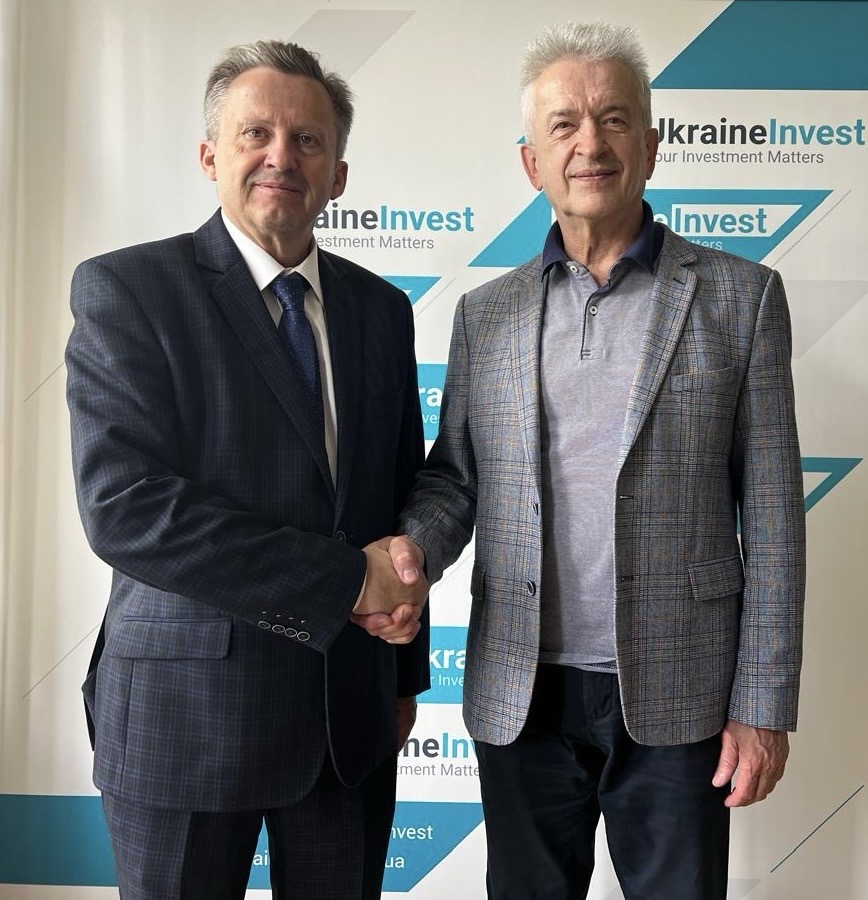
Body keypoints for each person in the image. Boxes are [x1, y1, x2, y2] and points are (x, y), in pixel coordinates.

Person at [361, 20, 806, 900]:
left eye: (613, 119)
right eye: (563, 125)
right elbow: (455, 478)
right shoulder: (486, 314)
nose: (590, 144)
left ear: (651, 144)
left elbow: (774, 520)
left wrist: (762, 704)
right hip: (521, 691)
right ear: (533, 163)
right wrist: (411, 554)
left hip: (681, 693)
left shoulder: (741, 299)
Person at [66, 39, 428, 900]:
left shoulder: (382, 310)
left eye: (308, 140)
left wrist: (402, 672)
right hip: (184, 723)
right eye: (255, 133)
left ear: (338, 175)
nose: (281, 156)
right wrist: (347, 582)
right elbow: (126, 508)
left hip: (348, 720)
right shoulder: (129, 290)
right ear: (209, 156)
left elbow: (397, 496)